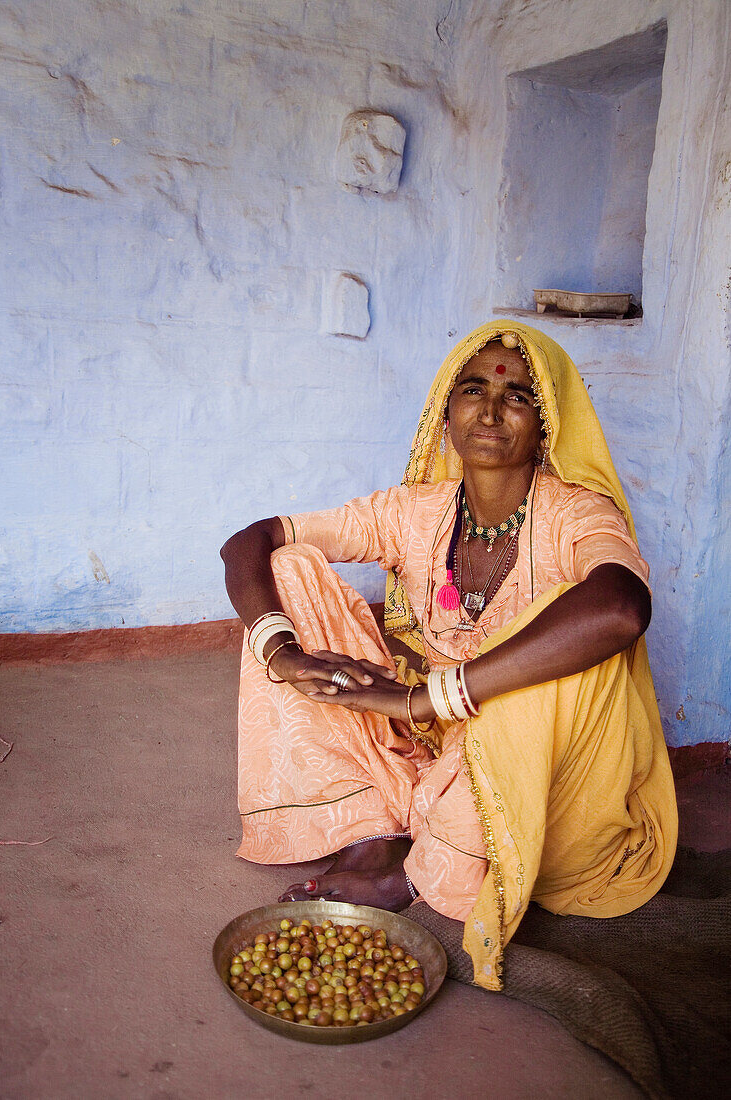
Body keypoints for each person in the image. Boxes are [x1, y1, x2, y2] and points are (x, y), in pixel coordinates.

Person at [220, 320, 677, 991]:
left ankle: (420, 872)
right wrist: (282, 652)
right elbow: (251, 540)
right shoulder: (414, 511)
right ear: (444, 410)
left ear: (546, 426)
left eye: (517, 396)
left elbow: (619, 610)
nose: (489, 411)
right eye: (471, 390)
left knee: (560, 639)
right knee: (288, 569)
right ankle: (371, 822)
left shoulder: (577, 515)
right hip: (440, 740)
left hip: (537, 760)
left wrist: (419, 696)